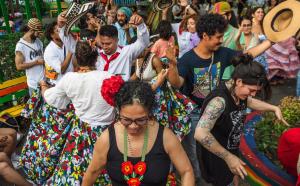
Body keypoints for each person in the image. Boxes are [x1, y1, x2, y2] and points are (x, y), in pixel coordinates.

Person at [166, 13, 275, 185]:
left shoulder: (222, 53)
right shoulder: (188, 60)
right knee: (199, 155)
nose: (221, 40)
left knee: (223, 147)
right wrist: (172, 64)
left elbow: (247, 55)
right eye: (218, 37)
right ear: (205, 36)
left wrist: (271, 41)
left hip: (218, 108)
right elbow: (177, 82)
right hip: (195, 114)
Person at [20, 42, 117, 185]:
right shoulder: (110, 77)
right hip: (109, 133)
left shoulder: (71, 78)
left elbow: (52, 99)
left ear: (76, 59)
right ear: (96, 59)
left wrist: (43, 86)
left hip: (81, 133)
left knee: (75, 170)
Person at [194, 54, 288, 186]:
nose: (253, 94)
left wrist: (273, 108)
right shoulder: (219, 102)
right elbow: (200, 133)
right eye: (251, 90)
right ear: (239, 81)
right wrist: (229, 158)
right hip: (217, 159)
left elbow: (249, 101)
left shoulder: (238, 92)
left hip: (231, 151)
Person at [82, 81, 195, 186]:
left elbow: (186, 171)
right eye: (126, 120)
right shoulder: (107, 138)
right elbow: (92, 172)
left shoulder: (166, 137)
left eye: (141, 120)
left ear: (149, 113)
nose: (133, 126)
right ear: (118, 112)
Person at [57, 12, 150, 81]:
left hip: (120, 99)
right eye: (102, 43)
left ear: (117, 40)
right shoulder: (95, 52)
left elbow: (143, 43)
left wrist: (141, 25)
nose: (105, 47)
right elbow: (73, 47)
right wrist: (61, 27)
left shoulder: (127, 52)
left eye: (108, 43)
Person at [15, 18, 44, 95]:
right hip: (34, 85)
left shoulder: (38, 41)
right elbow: (19, 66)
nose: (38, 35)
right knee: (36, 107)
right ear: (31, 30)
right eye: (37, 33)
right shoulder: (20, 46)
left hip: (45, 82)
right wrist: (36, 62)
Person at [44, 21, 74, 85]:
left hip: (71, 82)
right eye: (58, 31)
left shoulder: (66, 43)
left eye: (61, 30)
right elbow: (61, 70)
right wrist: (70, 51)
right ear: (52, 35)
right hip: (58, 85)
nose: (61, 33)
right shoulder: (49, 50)